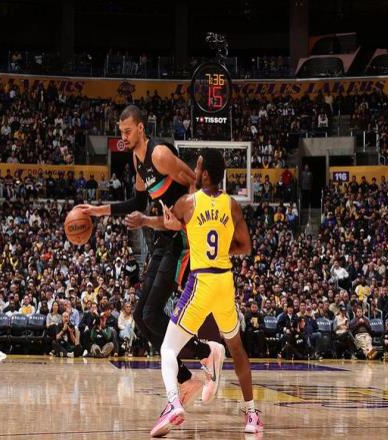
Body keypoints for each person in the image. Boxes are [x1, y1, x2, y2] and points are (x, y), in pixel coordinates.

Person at [78, 105, 220, 404]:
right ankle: (186, 376)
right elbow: (138, 202)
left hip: (182, 238)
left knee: (152, 312)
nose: (124, 137)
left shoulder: (160, 154)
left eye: (128, 131)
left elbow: (194, 183)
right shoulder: (137, 159)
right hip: (162, 235)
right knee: (143, 318)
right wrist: (97, 211)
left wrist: (183, 218)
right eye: (121, 132)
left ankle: (207, 352)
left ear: (141, 128)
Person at [151, 150, 263, 436]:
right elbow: (245, 246)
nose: (194, 170)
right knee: (237, 349)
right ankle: (252, 415)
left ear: (207, 174)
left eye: (198, 167)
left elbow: (168, 224)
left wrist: (155, 220)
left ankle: (173, 403)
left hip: (201, 281)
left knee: (168, 348)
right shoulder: (232, 205)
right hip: (224, 281)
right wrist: (221, 248)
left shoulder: (188, 202)